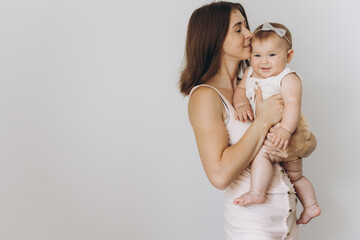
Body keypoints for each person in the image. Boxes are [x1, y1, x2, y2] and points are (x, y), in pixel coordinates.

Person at [179, 2, 317, 239]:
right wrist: (263, 121)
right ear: (215, 38)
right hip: (253, 225)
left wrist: (293, 145)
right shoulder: (205, 96)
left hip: (287, 218)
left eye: (246, 26)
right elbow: (219, 176)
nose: (250, 34)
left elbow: (309, 142)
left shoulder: (258, 82)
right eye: (238, 28)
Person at [232, 22, 321, 225]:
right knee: (291, 174)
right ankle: (311, 207)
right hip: (271, 129)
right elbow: (239, 91)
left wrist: (285, 130)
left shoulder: (287, 78)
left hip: (290, 127)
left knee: (290, 172)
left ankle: (258, 192)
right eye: (257, 55)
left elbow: (292, 103)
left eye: (272, 55)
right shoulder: (249, 75)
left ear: (288, 56)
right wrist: (241, 105)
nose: (264, 61)